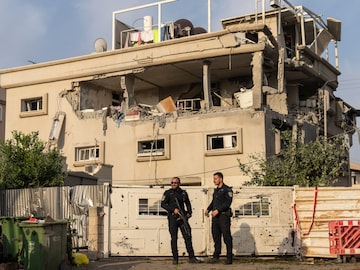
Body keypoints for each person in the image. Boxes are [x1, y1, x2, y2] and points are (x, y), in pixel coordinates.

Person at [161, 177, 201, 265]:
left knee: (187, 237)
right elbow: (163, 204)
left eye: (175, 183)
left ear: (179, 183)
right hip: (173, 218)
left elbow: (188, 203)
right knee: (174, 238)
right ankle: (175, 258)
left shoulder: (183, 193)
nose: (173, 184)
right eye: (172, 183)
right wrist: (172, 209)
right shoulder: (168, 193)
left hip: (182, 218)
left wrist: (189, 213)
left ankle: (192, 257)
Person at [205, 172, 233, 265]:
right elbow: (214, 202)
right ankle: (216, 256)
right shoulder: (216, 190)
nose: (214, 180)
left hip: (223, 216)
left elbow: (228, 202)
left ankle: (229, 257)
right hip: (215, 217)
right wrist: (208, 209)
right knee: (216, 236)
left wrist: (218, 210)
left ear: (221, 179)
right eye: (213, 179)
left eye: (216, 178)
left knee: (226, 236)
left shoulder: (227, 189)